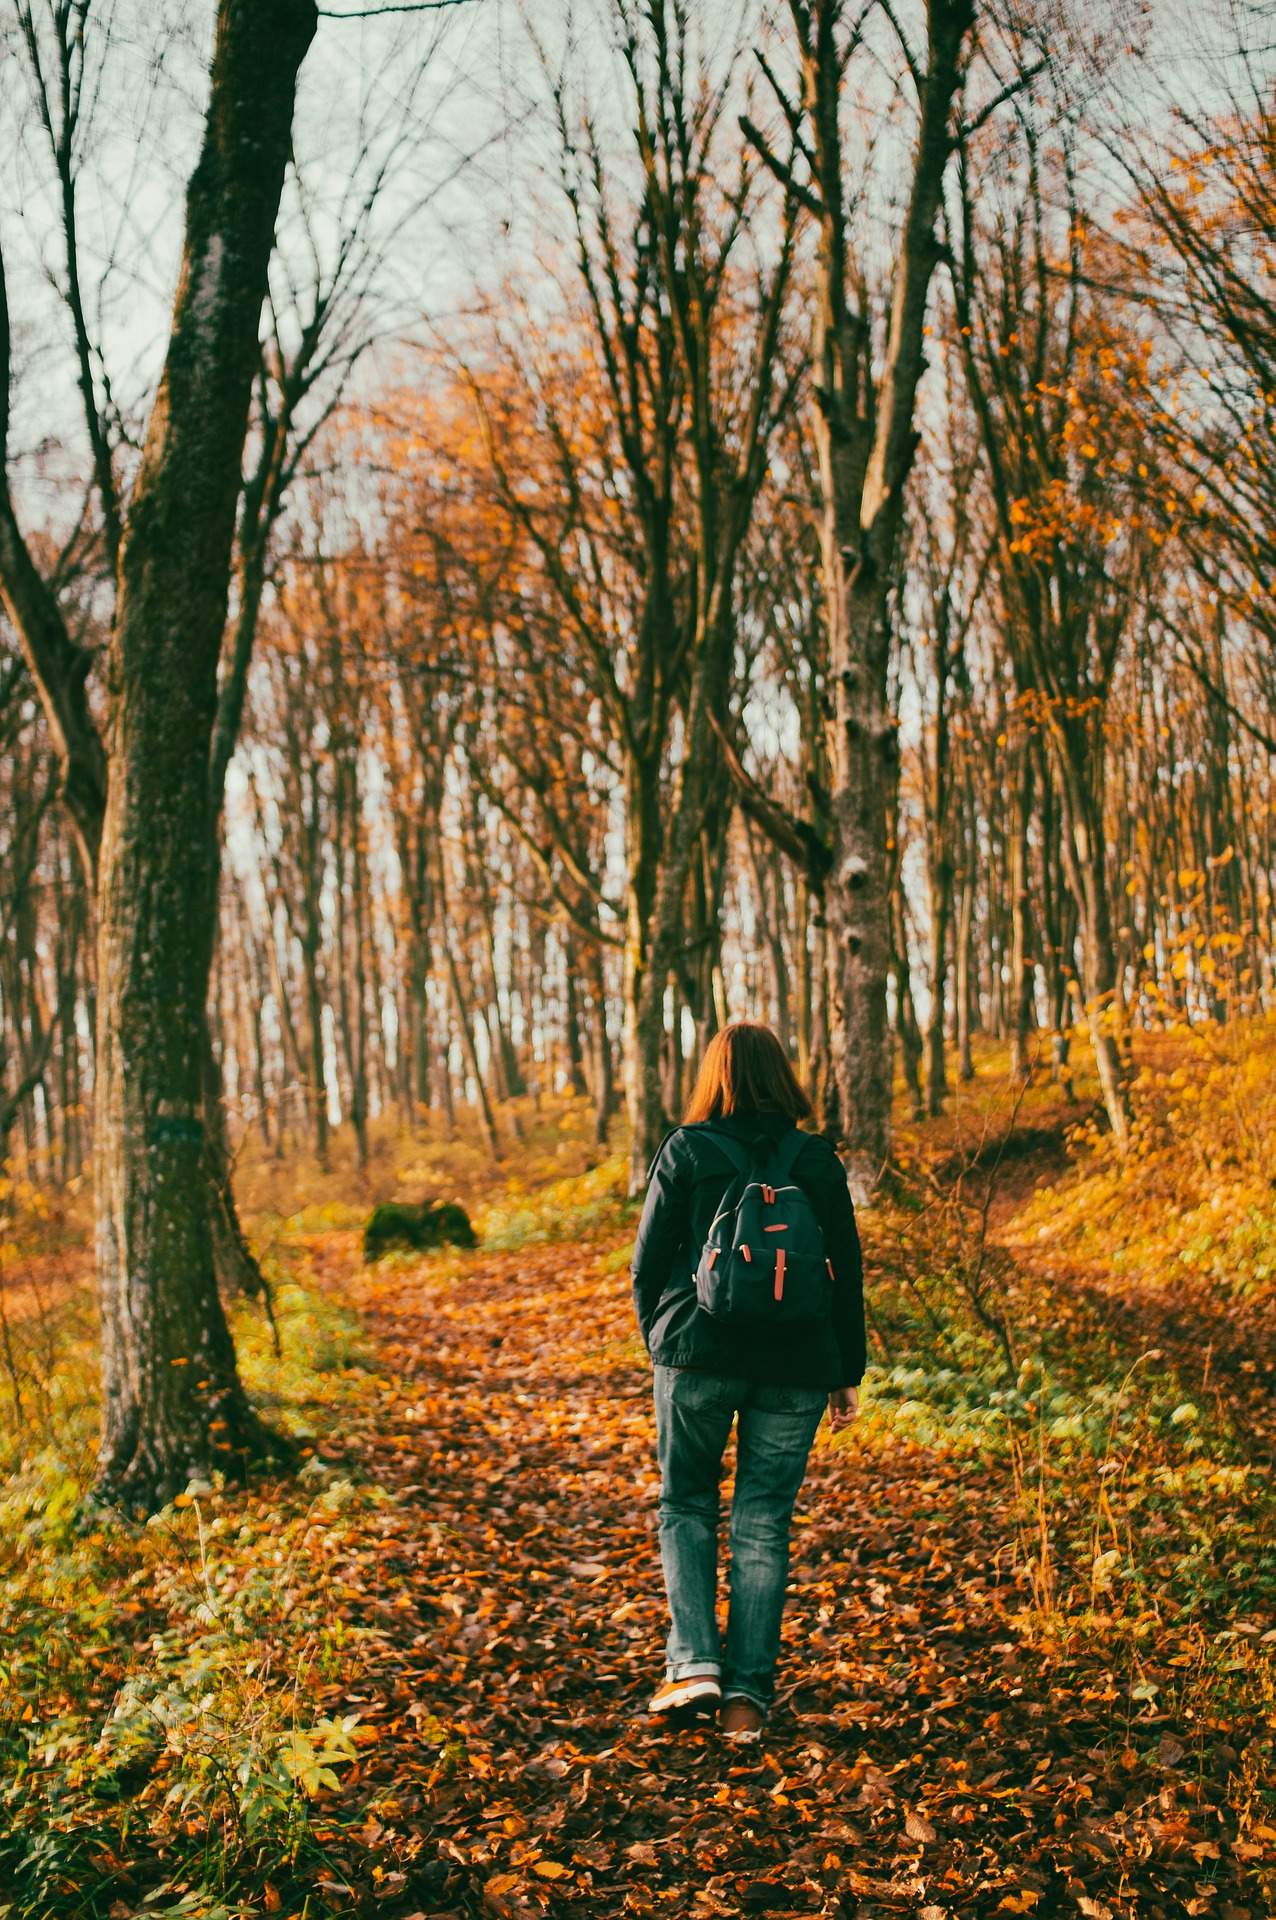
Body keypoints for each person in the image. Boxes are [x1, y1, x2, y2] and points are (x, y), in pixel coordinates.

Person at [630, 1021, 866, 1745]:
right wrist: (845, 1372)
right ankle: (746, 1699)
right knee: (763, 1521)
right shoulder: (818, 1160)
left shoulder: (688, 1149)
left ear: (715, 1076)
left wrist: (662, 1341)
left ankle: (694, 1661)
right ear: (783, 1076)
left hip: (697, 1358)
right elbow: (847, 1271)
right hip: (795, 1366)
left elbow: (647, 1262)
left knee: (686, 1504)